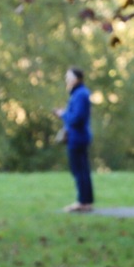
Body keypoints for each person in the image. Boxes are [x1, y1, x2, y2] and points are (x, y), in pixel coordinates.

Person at [58, 67, 94, 213]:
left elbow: (76, 118)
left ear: (76, 78)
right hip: (79, 137)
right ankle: (86, 201)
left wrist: (62, 114)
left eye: (68, 77)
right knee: (82, 170)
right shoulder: (80, 94)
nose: (66, 79)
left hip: (77, 138)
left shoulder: (80, 95)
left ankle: (82, 202)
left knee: (79, 170)